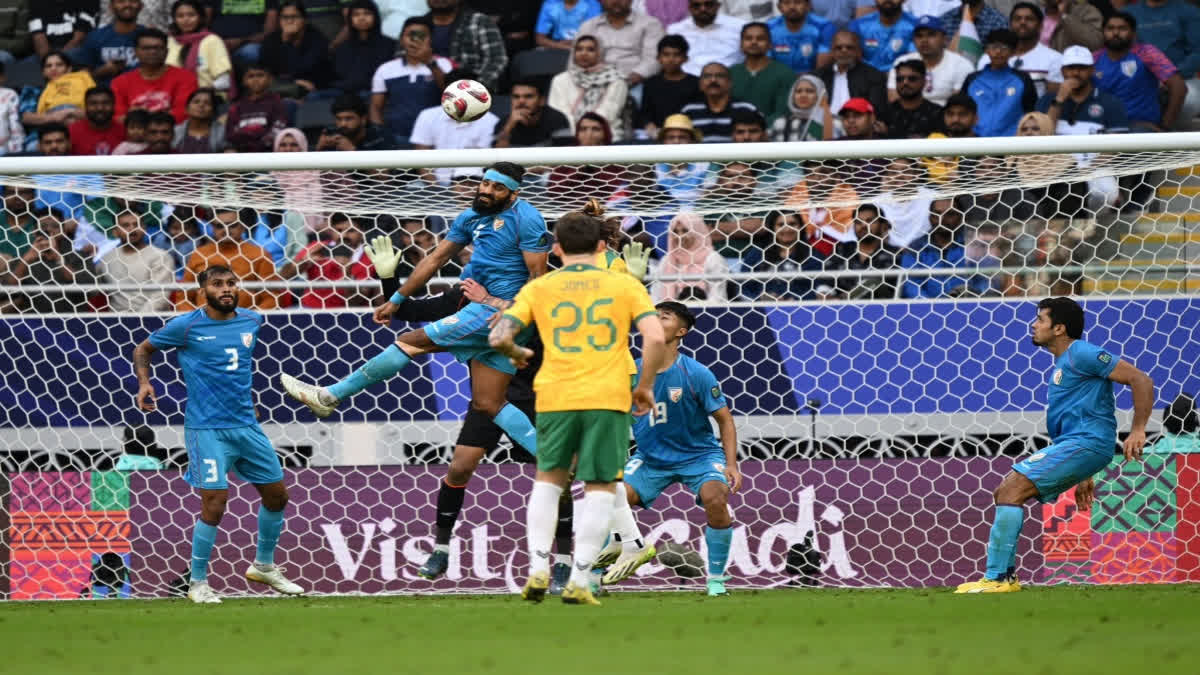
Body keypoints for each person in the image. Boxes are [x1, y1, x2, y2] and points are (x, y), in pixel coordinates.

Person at [281, 165, 549, 507]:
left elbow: (538, 278)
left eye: (497, 187)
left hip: (493, 315)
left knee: (409, 341)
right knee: (489, 402)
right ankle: (552, 461)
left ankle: (331, 395)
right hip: (482, 311)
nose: (486, 190)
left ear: (514, 193)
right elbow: (436, 258)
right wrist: (395, 297)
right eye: (484, 182)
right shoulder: (470, 217)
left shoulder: (528, 220)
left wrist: (508, 309)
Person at [488, 206, 666, 606]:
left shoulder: (540, 287)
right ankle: (581, 579)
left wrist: (515, 351)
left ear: (556, 247)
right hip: (608, 392)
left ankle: (537, 567)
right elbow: (654, 338)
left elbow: (499, 334)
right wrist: (646, 387)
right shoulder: (624, 283)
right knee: (602, 485)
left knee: (549, 480)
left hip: (555, 394)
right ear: (602, 245)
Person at [955, 297, 1154, 593]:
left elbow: (1141, 380)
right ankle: (1003, 578)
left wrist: (1138, 429)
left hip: (1088, 443)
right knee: (1005, 491)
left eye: (1041, 320)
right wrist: (1083, 473)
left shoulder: (1082, 353)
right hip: (1079, 445)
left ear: (1059, 328)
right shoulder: (1064, 362)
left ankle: (998, 579)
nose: (1033, 325)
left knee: (1012, 490)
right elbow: (1080, 415)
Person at [132, 265, 305, 604]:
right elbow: (143, 349)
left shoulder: (252, 321)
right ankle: (197, 583)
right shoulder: (187, 325)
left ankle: (264, 566)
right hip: (206, 429)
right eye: (217, 284)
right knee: (215, 503)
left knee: (277, 496)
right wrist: (144, 382)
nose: (226, 289)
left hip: (246, 426)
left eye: (230, 283)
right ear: (203, 291)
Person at [594, 300, 738, 597]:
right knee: (610, 499)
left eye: (665, 317)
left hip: (699, 456)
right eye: (653, 316)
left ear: (681, 331)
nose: (657, 320)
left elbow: (724, 420)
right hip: (650, 459)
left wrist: (731, 464)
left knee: (715, 497)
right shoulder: (629, 371)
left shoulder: (695, 373)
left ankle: (716, 580)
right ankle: (595, 576)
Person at [1092, 12, 1186, 132]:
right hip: (1102, 127)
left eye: (1122, 28)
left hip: (1140, 127)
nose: (1115, 33)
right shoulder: (1094, 59)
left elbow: (1179, 87)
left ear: (1133, 33)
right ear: (1103, 33)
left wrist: (1165, 127)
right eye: (1110, 29)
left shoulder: (1147, 53)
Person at [369, 16, 452, 147]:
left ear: (431, 39)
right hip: (396, 137)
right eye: (410, 35)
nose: (415, 40)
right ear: (402, 39)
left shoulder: (444, 64)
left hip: (436, 137)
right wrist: (381, 135)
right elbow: (375, 108)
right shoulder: (386, 69)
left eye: (421, 35)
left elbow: (452, 96)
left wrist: (430, 63)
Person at [179, 208, 283, 310]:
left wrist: (248, 319)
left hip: (245, 322)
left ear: (242, 226)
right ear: (212, 228)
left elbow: (272, 298)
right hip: (203, 323)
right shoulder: (199, 254)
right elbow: (183, 298)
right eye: (219, 226)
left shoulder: (259, 255)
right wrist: (195, 320)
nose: (226, 230)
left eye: (232, 225)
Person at [548, 34, 629, 140]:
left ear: (600, 53)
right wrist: (578, 134)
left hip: (605, 132)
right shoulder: (560, 80)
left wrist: (588, 132)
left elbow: (608, 112)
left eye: (590, 50)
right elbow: (559, 112)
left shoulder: (616, 80)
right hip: (567, 134)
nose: (584, 53)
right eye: (579, 49)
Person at [111, 27, 197, 123]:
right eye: (146, 48)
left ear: (167, 52)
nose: (152, 52)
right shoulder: (119, 82)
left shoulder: (186, 78)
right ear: (135, 52)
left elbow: (183, 114)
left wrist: (138, 117)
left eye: (158, 48)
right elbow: (118, 118)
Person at [976, 2, 1061, 98]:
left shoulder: (1054, 59)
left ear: (1040, 26)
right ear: (1010, 24)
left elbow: (1052, 100)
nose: (1022, 22)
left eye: (1029, 19)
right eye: (1017, 19)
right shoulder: (989, 57)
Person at [960, 28, 1036, 136]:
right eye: (994, 47)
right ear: (986, 50)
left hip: (1012, 144)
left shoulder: (1022, 79)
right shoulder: (972, 79)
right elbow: (962, 110)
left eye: (1004, 48)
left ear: (1013, 52)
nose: (998, 52)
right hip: (976, 144)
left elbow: (1030, 112)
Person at [421, 0, 507, 92]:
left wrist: (476, 88)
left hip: (469, 93)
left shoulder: (479, 21)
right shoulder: (417, 24)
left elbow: (497, 59)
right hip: (422, 90)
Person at [97, 207, 174, 311]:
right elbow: (94, 290)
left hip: (152, 321)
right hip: (114, 321)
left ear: (144, 228)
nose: (132, 229)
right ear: (115, 232)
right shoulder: (106, 259)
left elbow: (160, 297)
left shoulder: (160, 257)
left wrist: (138, 320)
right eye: (125, 226)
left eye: (136, 224)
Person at [886, 14, 972, 106]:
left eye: (931, 35)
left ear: (944, 39)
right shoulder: (902, 62)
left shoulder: (961, 65)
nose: (924, 40)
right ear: (913, 40)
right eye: (919, 36)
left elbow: (959, 104)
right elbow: (893, 98)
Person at [577, 0, 666, 88]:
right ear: (601, 1)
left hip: (636, 84)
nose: (616, 1)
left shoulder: (651, 25)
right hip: (593, 83)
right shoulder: (588, 26)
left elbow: (653, 60)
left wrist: (624, 83)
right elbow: (575, 62)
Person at [20, 52, 95, 150]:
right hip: (45, 130)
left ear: (69, 69)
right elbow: (26, 117)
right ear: (43, 71)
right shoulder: (34, 89)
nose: (53, 68)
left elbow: (96, 111)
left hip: (79, 124)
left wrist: (69, 111)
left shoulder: (82, 82)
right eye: (48, 66)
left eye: (59, 65)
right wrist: (54, 118)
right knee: (32, 147)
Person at [259, 0, 333, 98]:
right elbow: (267, 69)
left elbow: (306, 68)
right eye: (285, 17)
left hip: (314, 85)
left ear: (305, 20)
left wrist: (287, 42)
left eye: (295, 17)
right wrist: (286, 41)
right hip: (282, 85)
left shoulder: (317, 39)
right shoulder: (271, 40)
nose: (289, 21)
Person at [635, 33, 701, 137]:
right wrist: (649, 126)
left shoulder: (696, 83)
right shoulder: (651, 83)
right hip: (657, 134)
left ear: (685, 58)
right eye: (666, 54)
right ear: (658, 58)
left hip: (687, 134)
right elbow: (644, 114)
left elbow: (698, 114)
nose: (671, 59)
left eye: (676, 55)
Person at [652, 212, 728, 301]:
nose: (679, 236)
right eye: (675, 231)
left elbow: (718, 297)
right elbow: (656, 296)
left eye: (685, 230)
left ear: (698, 231)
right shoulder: (667, 260)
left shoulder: (713, 259)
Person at [166, 0, 233, 99]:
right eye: (180, 16)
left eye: (191, 15)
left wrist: (200, 92)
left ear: (201, 18)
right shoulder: (170, 41)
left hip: (210, 99)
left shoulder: (212, 41)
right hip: (176, 97)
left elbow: (224, 81)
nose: (186, 20)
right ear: (174, 19)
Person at [680, 62, 759, 142]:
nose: (713, 80)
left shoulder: (746, 109)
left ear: (730, 83)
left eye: (720, 76)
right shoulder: (689, 111)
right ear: (700, 84)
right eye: (707, 76)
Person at [731, 21, 794, 122]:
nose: (754, 42)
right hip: (735, 132)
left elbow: (782, 112)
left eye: (760, 39)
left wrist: (759, 128)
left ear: (770, 45)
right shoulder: (730, 73)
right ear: (741, 45)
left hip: (771, 133)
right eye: (748, 38)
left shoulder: (785, 73)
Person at [332, 0, 395, 97]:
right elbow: (340, 75)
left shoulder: (389, 44)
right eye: (356, 15)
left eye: (367, 13)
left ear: (376, 17)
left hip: (375, 92)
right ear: (350, 20)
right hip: (346, 92)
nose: (362, 18)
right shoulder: (342, 48)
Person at [1123, 0, 1200, 80]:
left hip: (1182, 78)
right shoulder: (1127, 13)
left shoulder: (1188, 11)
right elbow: (1119, 51)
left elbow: (1197, 51)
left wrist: (1174, 76)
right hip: (1138, 79)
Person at [667, 0, 746, 76]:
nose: (703, 9)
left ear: (718, 6)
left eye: (708, 4)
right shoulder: (675, 31)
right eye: (696, 5)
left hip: (729, 81)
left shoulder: (739, 27)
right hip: (687, 83)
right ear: (689, 8)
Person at [816, 30, 886, 116]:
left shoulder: (874, 76)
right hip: (824, 125)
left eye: (849, 47)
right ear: (832, 52)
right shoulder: (818, 76)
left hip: (857, 125)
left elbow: (876, 110)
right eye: (839, 48)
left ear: (858, 51)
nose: (844, 51)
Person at [225, 63, 286, 152]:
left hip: (267, 153)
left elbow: (278, 128)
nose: (255, 79)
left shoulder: (276, 102)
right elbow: (230, 133)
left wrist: (259, 146)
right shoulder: (237, 106)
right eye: (251, 76)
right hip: (240, 154)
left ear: (270, 79)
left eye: (260, 75)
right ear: (244, 81)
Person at [493, 79, 571, 148]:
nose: (521, 101)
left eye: (528, 96)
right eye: (516, 97)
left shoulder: (557, 120)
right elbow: (497, 157)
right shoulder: (504, 123)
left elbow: (564, 156)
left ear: (542, 100)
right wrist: (508, 128)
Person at [82, 0, 144, 83]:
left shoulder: (149, 37)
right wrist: (101, 72)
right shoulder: (95, 37)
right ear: (111, 7)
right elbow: (83, 76)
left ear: (141, 6)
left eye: (133, 1)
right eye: (120, 1)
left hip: (142, 92)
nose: (127, 4)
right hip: (105, 93)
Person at [768, 0, 835, 74]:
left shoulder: (824, 26)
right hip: (779, 79)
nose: (792, 7)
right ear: (779, 7)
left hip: (813, 79)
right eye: (786, 3)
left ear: (808, 6)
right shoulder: (769, 27)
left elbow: (822, 67)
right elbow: (766, 64)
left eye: (798, 2)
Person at [848, 0, 916, 71]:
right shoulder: (859, 26)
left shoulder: (914, 26)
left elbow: (914, 61)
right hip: (866, 78)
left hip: (901, 79)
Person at [208, 0, 278, 65]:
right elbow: (204, 22)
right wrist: (219, 42)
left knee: (251, 52)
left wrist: (241, 41)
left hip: (250, 45)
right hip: (217, 43)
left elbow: (270, 30)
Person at [885, 57, 942, 137]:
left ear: (924, 81)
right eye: (900, 79)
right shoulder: (885, 113)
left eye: (912, 79)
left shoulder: (937, 113)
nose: (905, 83)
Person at [320, 92, 396, 150]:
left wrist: (352, 151)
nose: (343, 124)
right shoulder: (332, 134)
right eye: (339, 119)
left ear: (363, 119)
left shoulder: (380, 136)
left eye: (349, 118)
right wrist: (319, 149)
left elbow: (382, 171)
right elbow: (321, 170)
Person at [770, 73, 832, 140]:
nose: (803, 95)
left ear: (819, 95)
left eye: (809, 91)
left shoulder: (833, 122)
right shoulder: (780, 123)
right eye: (798, 91)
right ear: (792, 96)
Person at [69, 85, 125, 154]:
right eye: (93, 103)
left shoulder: (125, 131)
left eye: (105, 103)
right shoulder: (71, 132)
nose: (100, 108)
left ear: (113, 105)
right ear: (86, 107)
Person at [29, 0, 94, 59]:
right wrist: (48, 62)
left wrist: (60, 60)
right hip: (48, 53)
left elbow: (80, 36)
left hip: (78, 49)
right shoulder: (36, 2)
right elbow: (38, 36)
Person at [172, 86, 223, 152]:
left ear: (213, 111)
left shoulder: (223, 132)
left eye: (207, 103)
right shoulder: (175, 132)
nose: (201, 105)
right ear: (186, 109)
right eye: (196, 102)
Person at [535, 0, 602, 49]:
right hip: (557, 47)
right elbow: (539, 39)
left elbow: (596, 36)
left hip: (585, 46)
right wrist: (559, 46)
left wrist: (575, 43)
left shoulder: (592, 4)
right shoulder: (550, 4)